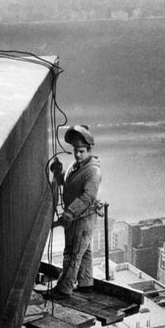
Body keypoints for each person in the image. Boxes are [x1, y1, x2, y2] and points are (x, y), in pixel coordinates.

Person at [48, 124, 102, 299]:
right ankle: (86, 284)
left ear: (88, 150)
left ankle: (64, 289)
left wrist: (69, 213)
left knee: (72, 254)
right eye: (75, 151)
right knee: (83, 251)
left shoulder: (93, 171)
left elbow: (88, 197)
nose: (78, 155)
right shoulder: (75, 166)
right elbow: (67, 184)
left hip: (83, 218)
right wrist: (58, 173)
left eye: (81, 151)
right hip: (76, 217)